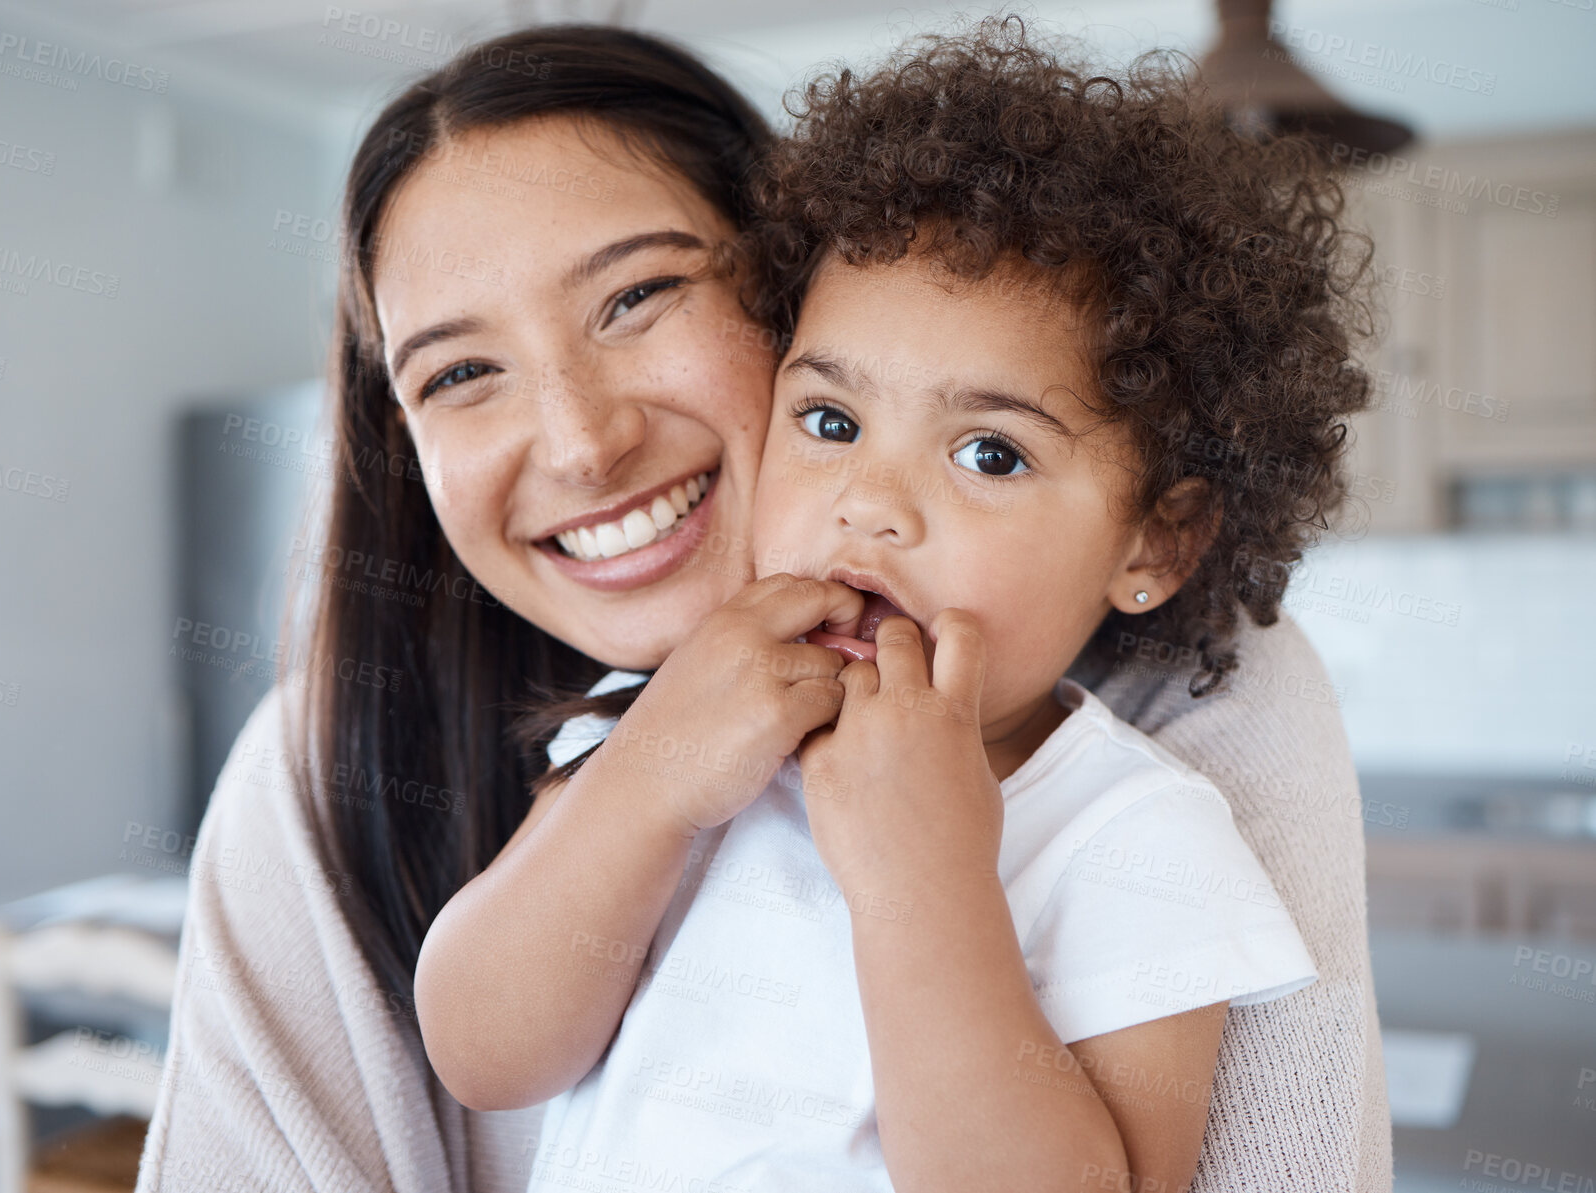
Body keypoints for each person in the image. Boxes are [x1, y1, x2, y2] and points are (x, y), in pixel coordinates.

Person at [135, 22, 1390, 1193]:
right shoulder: (649, 724)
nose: (870, 505)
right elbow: (485, 1048)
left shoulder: (1137, 829)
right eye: (832, 423)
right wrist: (654, 772)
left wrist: (923, 882)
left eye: (990, 453)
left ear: (1157, 541)